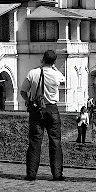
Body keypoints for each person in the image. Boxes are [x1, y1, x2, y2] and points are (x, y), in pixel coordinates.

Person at [20, 49, 66, 182]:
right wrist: (54, 68)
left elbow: (23, 91)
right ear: (54, 61)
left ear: (42, 59)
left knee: (35, 142)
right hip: (52, 109)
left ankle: (31, 173)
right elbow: (63, 82)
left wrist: (28, 100)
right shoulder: (57, 74)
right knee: (55, 142)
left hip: (36, 109)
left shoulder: (33, 73)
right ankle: (57, 173)